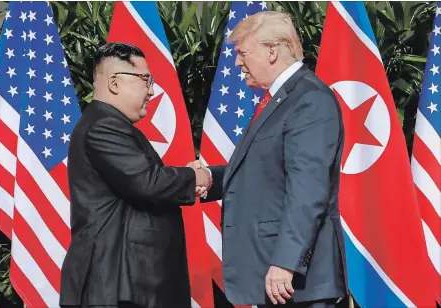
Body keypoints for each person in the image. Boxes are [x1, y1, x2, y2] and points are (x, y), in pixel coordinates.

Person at [193, 11, 348, 307]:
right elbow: (265, 171)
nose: (238, 63)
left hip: (298, 282)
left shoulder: (308, 99)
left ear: (272, 51)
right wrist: (210, 178)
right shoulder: (281, 98)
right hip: (277, 276)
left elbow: (308, 190)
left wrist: (286, 262)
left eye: (243, 53)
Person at [59, 42, 211, 308]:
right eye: (145, 80)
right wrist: (194, 176)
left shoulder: (107, 123)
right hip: (114, 284)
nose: (151, 91)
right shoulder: (104, 126)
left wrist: (196, 177)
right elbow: (147, 182)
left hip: (122, 284)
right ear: (115, 83)